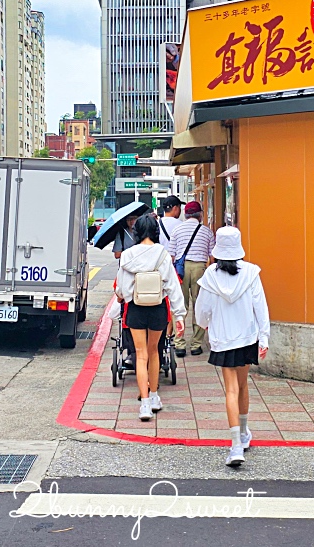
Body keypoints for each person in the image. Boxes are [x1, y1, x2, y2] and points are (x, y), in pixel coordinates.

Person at [194, 226, 270, 468]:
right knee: (243, 384)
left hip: (223, 338)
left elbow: (201, 313)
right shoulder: (251, 273)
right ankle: (245, 432)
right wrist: (264, 336)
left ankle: (236, 445)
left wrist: (206, 325)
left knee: (230, 390)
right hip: (247, 336)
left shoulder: (210, 276)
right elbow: (261, 306)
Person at [115, 214, 186, 422]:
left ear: (136, 232)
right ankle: (155, 397)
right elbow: (172, 286)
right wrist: (179, 315)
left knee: (140, 354)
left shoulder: (128, 255)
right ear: (155, 231)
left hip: (136, 308)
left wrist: (124, 296)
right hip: (157, 309)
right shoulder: (162, 254)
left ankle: (144, 405)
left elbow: (122, 288)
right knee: (155, 351)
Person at [170, 200, 215, 357]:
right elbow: (212, 257)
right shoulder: (207, 231)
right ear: (200, 214)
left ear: (186, 214)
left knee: (180, 306)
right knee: (199, 305)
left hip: (181, 269)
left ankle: (179, 344)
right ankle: (196, 345)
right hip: (200, 269)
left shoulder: (177, 230)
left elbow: (171, 255)